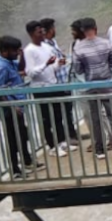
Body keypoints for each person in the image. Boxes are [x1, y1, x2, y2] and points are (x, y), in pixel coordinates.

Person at [72, 17, 112, 161]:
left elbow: (77, 70)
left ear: (83, 31)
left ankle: (99, 150)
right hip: (107, 85)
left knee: (95, 117)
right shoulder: (106, 44)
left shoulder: (78, 48)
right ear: (95, 28)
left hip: (90, 85)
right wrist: (107, 69)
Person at [0, 35, 37, 178]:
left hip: (17, 105)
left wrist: (22, 55)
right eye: (15, 50)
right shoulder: (0, 66)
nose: (17, 52)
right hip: (8, 109)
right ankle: (15, 170)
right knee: (13, 139)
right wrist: (12, 106)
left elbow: (22, 68)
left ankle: (27, 161)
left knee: (22, 135)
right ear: (5, 50)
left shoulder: (9, 61)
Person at [23, 19, 70, 157]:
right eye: (39, 31)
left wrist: (59, 64)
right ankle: (52, 146)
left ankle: (61, 141)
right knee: (46, 118)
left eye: (43, 30)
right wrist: (45, 64)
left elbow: (52, 67)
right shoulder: (29, 50)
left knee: (57, 115)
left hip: (53, 84)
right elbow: (30, 72)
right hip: (40, 88)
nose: (42, 33)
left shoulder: (47, 47)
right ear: (32, 34)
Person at [41, 18, 80, 149]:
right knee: (55, 114)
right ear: (47, 30)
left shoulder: (53, 43)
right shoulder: (44, 46)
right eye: (53, 28)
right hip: (54, 84)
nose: (55, 30)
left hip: (63, 82)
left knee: (66, 111)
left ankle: (68, 136)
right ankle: (58, 142)